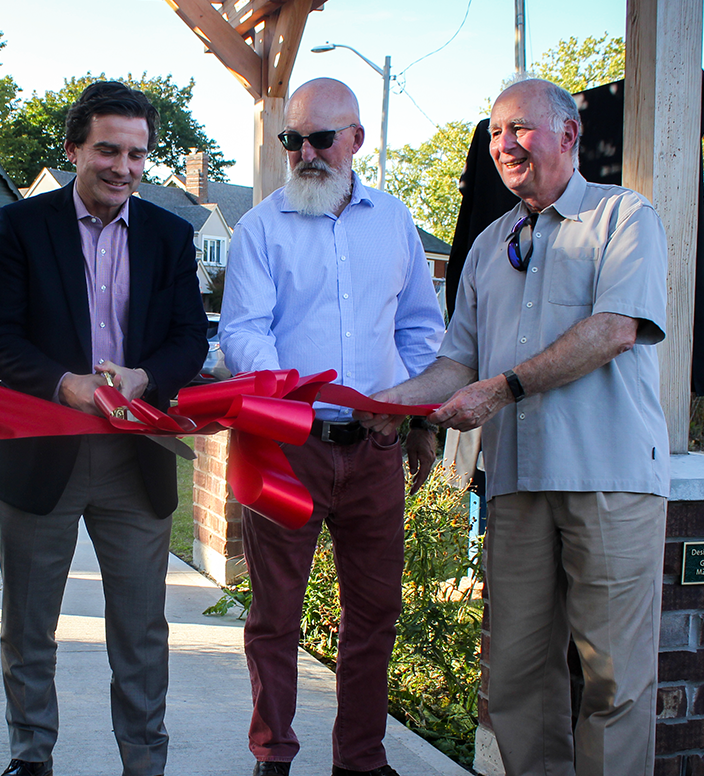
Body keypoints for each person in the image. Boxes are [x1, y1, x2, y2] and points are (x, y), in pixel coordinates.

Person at [358, 78, 669, 776]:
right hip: (517, 482)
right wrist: (397, 404)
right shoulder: (491, 243)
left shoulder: (626, 217)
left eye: (521, 129)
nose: (504, 144)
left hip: (609, 480)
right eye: (496, 132)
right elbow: (453, 362)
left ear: (568, 136)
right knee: (517, 681)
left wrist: (502, 389)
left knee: (615, 681)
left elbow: (616, 329)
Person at [0, 81, 207, 776]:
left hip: (135, 457)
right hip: (41, 451)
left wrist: (143, 378)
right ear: (74, 147)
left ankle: (145, 762)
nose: (124, 168)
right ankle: (31, 756)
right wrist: (64, 383)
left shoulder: (171, 235)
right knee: (29, 625)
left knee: (140, 629)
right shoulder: (23, 225)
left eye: (138, 155)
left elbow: (188, 340)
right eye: (108, 150)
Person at [219, 78, 445, 776]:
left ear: (356, 142)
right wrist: (288, 401)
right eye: (294, 139)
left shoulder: (395, 221)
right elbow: (243, 332)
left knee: (374, 615)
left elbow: (419, 328)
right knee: (274, 617)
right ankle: (273, 756)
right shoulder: (260, 226)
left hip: (375, 450)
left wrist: (410, 410)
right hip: (289, 448)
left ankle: (360, 760)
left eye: (321, 139)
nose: (306, 153)